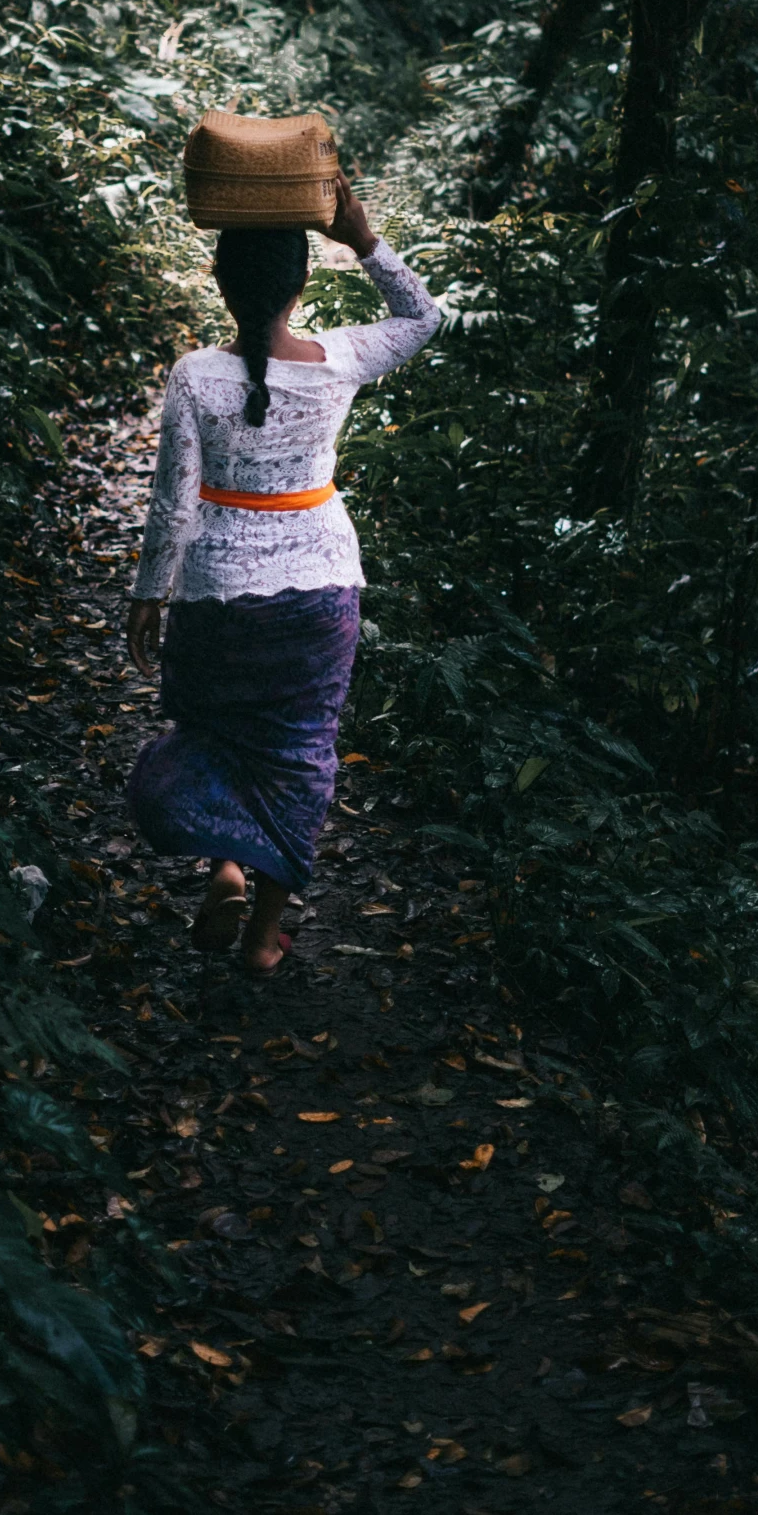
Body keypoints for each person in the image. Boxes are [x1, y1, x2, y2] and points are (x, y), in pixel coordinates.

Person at [124, 174, 440, 973]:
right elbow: (425, 318)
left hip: (217, 597)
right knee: (298, 753)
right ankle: (265, 935)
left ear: (220, 284)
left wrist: (148, 594)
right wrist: (362, 238)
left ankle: (223, 866)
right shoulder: (340, 360)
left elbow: (172, 505)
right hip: (319, 591)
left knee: (214, 734)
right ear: (302, 282)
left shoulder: (196, 373)